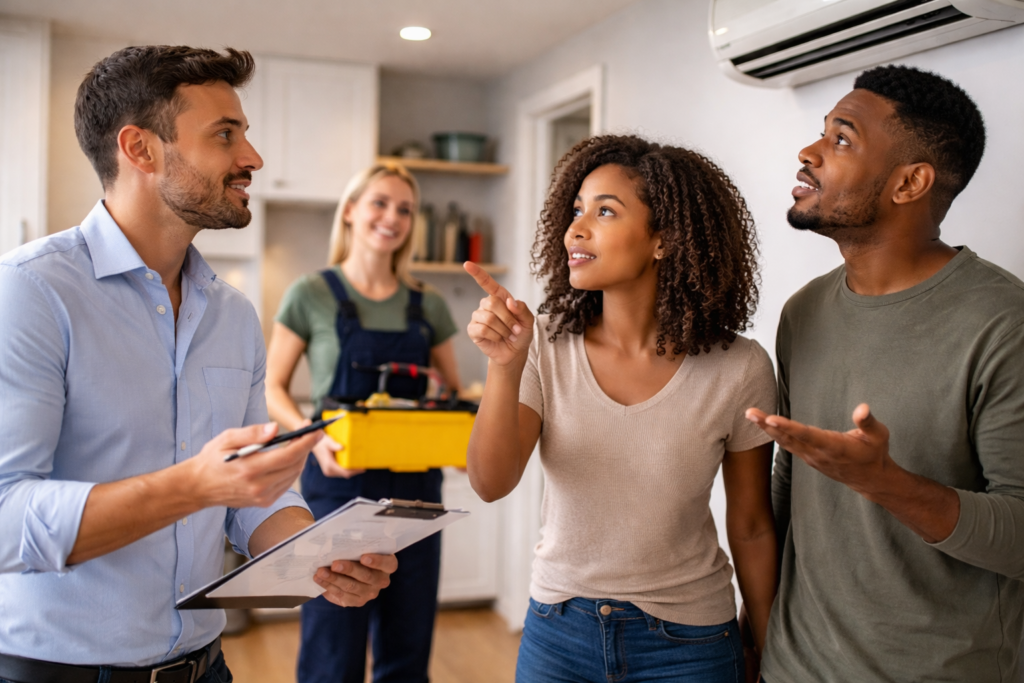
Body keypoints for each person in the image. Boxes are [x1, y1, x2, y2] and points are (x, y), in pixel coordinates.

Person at [0, 46, 397, 683]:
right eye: (225, 134)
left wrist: (316, 555)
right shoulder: (32, 291)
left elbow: (252, 496)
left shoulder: (233, 315)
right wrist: (196, 485)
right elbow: (5, 516)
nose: (253, 158)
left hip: (205, 668)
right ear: (140, 149)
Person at [464, 134, 779, 683]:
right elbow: (491, 482)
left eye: (605, 211)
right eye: (577, 209)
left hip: (691, 642)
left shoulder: (740, 367)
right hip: (558, 631)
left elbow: (750, 524)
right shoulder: (542, 343)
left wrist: (770, 641)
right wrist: (504, 364)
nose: (576, 228)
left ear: (664, 239)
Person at [745, 65, 1024, 682]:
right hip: (793, 668)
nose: (809, 152)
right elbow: (787, 495)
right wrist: (756, 636)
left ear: (909, 183)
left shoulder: (1006, 323)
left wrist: (887, 483)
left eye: (841, 139)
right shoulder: (804, 312)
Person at [266, 161, 462, 683]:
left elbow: (454, 394)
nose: (392, 217)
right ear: (351, 211)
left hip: (417, 492)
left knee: (408, 640)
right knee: (333, 644)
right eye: (380, 203)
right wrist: (314, 437)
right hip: (337, 486)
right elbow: (272, 387)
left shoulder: (430, 305)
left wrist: (453, 408)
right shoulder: (312, 293)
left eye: (405, 209)